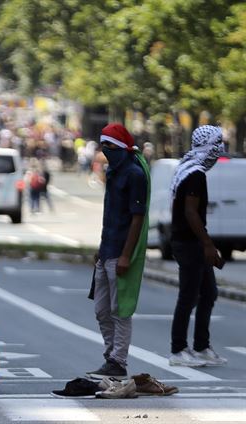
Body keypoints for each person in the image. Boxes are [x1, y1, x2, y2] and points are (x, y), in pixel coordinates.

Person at [87, 123, 149, 380]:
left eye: (110, 146)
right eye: (103, 146)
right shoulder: (113, 172)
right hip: (106, 250)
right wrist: (101, 249)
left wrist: (125, 255)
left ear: (122, 148)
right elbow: (110, 216)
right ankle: (111, 356)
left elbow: (137, 218)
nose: (106, 150)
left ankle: (118, 360)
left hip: (121, 253)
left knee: (120, 310)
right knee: (102, 310)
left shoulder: (134, 174)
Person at [168, 125, 228, 367]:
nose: (219, 152)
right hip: (188, 242)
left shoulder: (187, 167)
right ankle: (178, 350)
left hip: (189, 240)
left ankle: (201, 346)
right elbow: (190, 212)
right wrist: (208, 245)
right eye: (217, 146)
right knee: (189, 295)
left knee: (209, 292)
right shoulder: (195, 174)